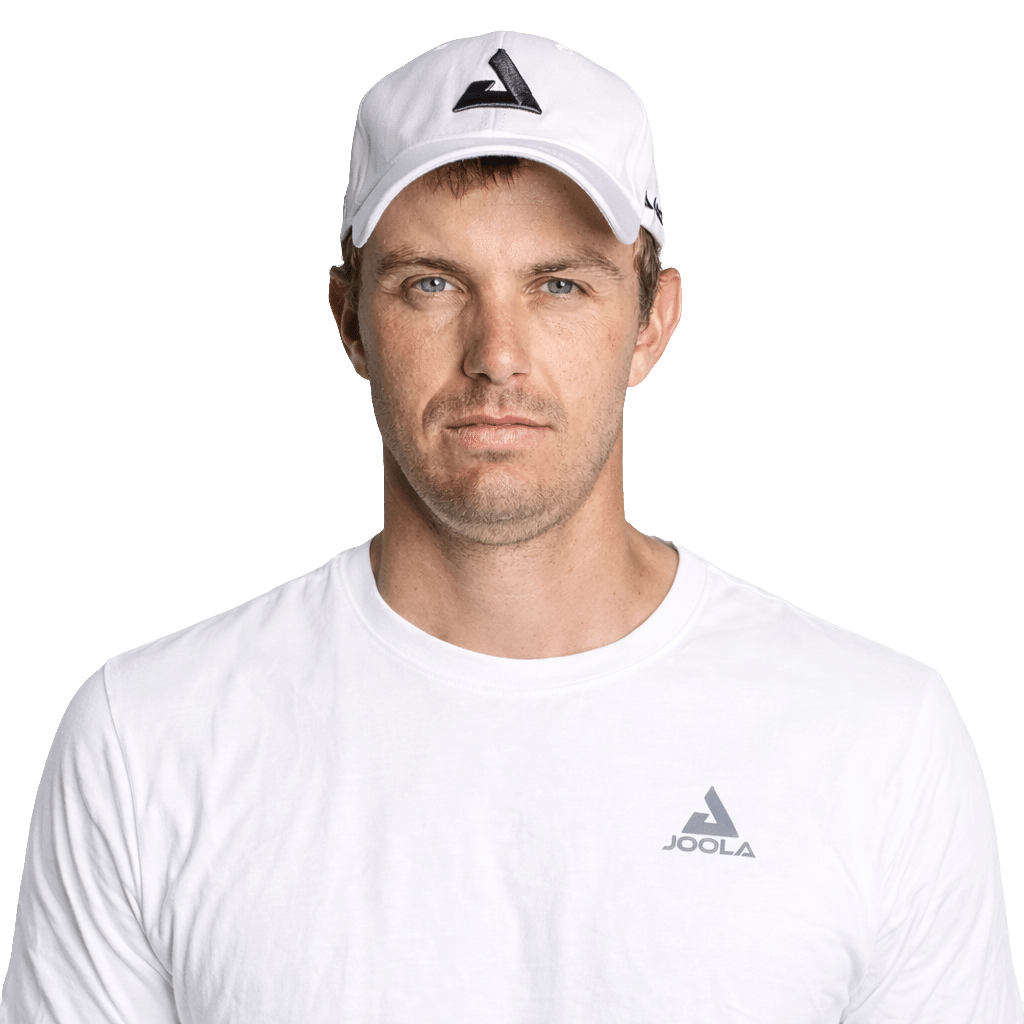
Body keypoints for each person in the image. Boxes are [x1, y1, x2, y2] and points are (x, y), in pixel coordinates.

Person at [1, 29, 1020, 1023]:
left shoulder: (875, 737)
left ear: (651, 322)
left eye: (560, 284)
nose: (496, 353)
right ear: (350, 320)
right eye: (432, 284)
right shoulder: (148, 739)